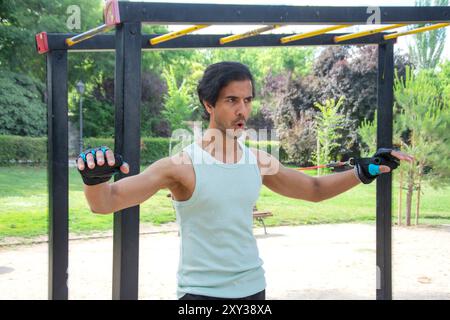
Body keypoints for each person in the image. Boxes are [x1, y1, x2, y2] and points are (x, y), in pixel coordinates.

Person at [76, 61, 413, 300]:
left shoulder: (256, 161)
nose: (243, 110)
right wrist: (95, 178)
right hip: (201, 298)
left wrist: (364, 170)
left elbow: (313, 190)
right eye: (232, 100)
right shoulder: (180, 166)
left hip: (253, 289)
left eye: (248, 100)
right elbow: (106, 203)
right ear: (209, 104)